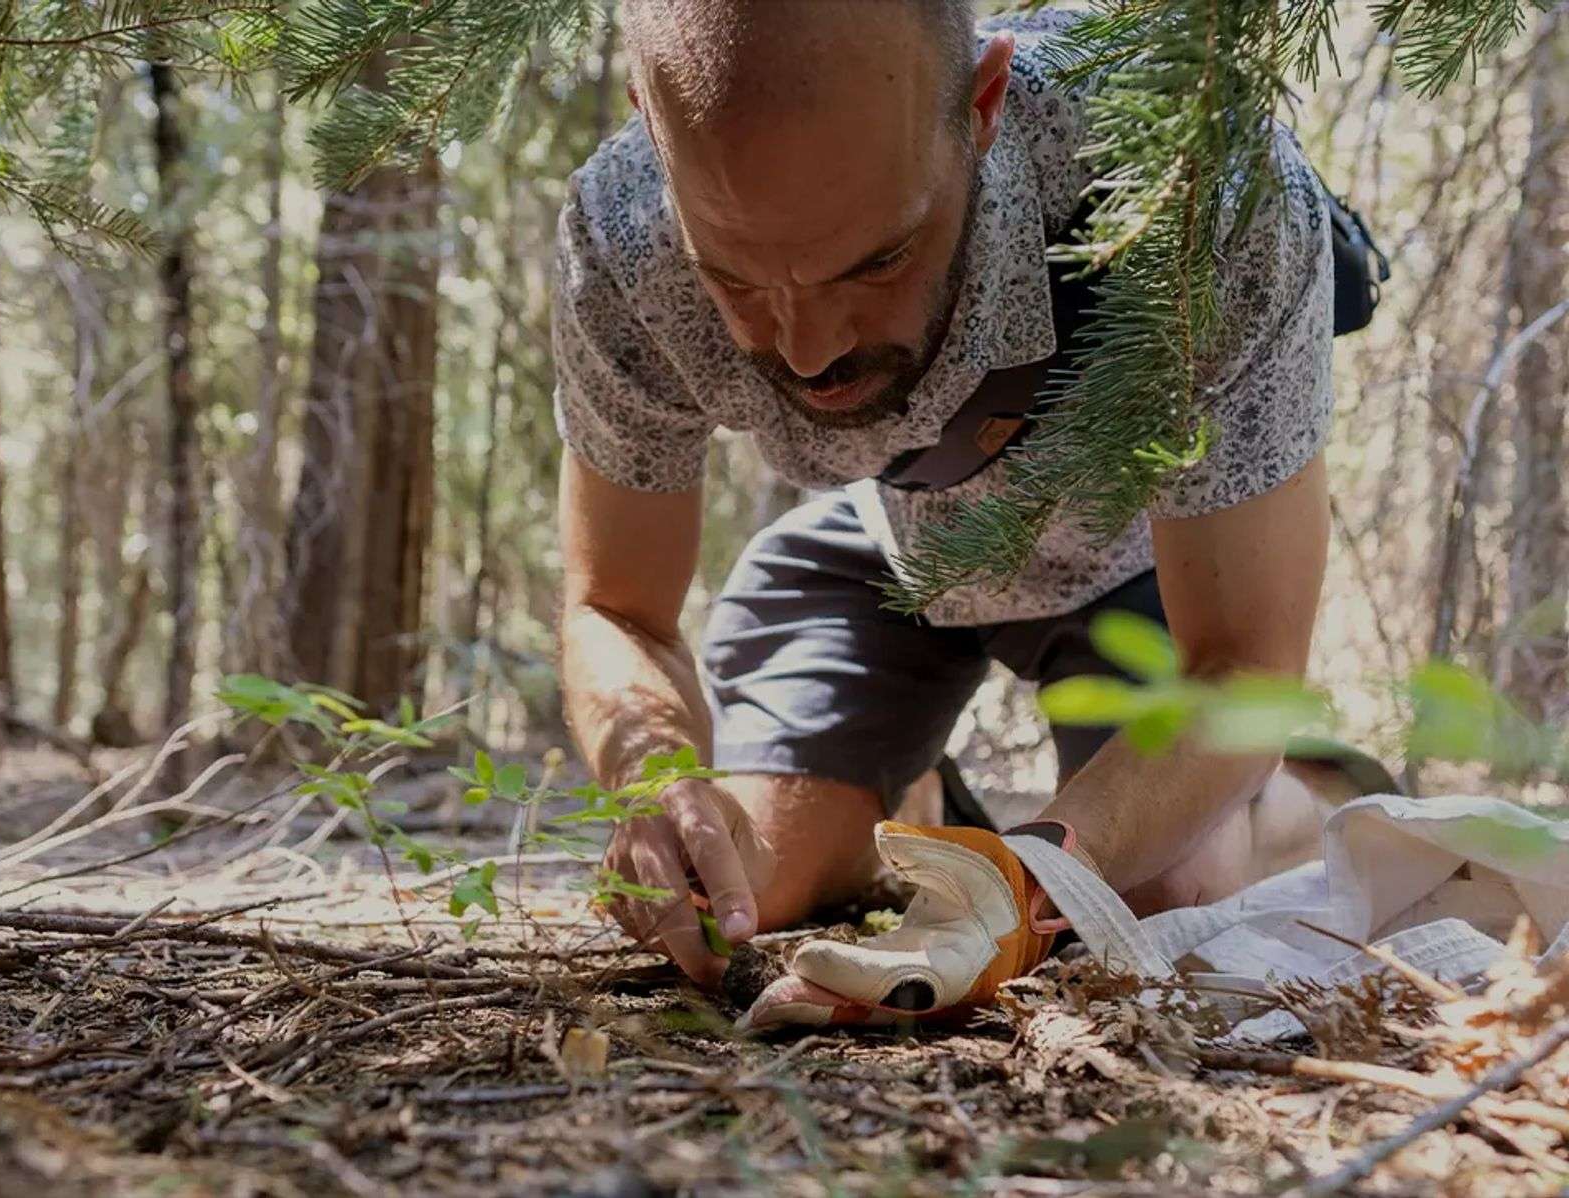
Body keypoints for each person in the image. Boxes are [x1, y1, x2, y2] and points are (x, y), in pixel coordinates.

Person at [552, 0, 1353, 1014]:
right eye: (733, 277)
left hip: (1145, 562)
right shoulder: (620, 231)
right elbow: (616, 605)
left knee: (1157, 895)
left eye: (878, 259)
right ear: (650, 128)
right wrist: (650, 779)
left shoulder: (1197, 184)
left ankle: (1314, 792)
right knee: (736, 885)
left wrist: (1023, 882)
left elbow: (1239, 666)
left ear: (983, 104)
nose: (805, 350)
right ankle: (917, 808)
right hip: (887, 550)